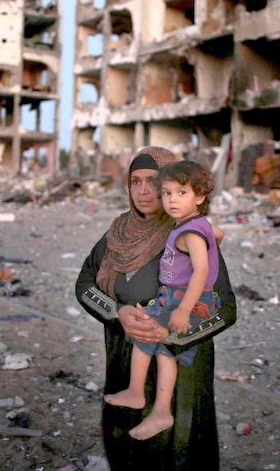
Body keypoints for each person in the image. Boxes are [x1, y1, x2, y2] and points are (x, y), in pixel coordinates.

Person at [75, 147, 237, 470]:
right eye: (135, 182)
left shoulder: (188, 234)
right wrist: (117, 313)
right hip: (125, 360)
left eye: (153, 182)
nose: (143, 191)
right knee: (125, 447)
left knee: (178, 452)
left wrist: (173, 332)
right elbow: (85, 285)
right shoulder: (116, 235)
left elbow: (225, 308)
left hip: (182, 371)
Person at [104, 160, 221, 441]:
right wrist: (217, 236)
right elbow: (216, 234)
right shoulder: (193, 225)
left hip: (186, 300)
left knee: (159, 345)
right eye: (166, 193)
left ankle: (156, 407)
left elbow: (202, 271)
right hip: (172, 297)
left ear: (200, 197)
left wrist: (182, 310)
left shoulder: (190, 231)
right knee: (152, 341)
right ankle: (140, 395)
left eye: (181, 193)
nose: (171, 200)